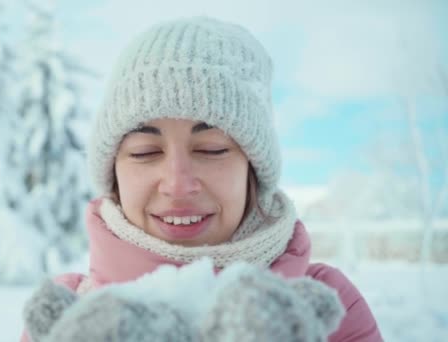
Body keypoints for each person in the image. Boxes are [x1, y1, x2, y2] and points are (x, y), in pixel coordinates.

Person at [20, 16, 382, 341]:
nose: (178, 184)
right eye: (146, 151)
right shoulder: (65, 315)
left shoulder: (331, 306)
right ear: (114, 171)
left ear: (252, 168)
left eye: (211, 149)